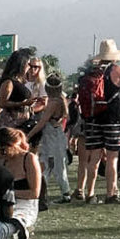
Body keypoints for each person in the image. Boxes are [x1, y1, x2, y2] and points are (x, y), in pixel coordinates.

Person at [74, 40, 120, 202]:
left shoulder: (91, 74)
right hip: (113, 119)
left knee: (94, 158)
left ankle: (90, 193)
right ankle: (111, 193)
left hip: (93, 119)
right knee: (112, 158)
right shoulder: (118, 71)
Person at [36, 74, 71, 208]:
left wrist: (28, 135)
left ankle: (64, 193)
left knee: (54, 166)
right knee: (49, 165)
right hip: (54, 136)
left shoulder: (54, 103)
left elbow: (42, 122)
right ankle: (43, 192)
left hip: (53, 137)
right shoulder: (60, 99)